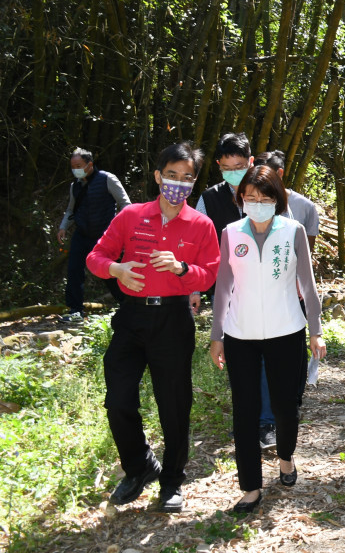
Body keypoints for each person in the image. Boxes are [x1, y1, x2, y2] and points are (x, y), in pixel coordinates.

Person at [86, 142, 220, 512]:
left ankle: (172, 481)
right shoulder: (131, 216)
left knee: (174, 403)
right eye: (171, 175)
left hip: (173, 320)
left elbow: (210, 274)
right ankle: (139, 466)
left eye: (186, 178)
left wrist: (181, 269)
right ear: (159, 176)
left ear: (193, 183)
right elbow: (96, 256)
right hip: (132, 318)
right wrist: (118, 269)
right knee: (117, 398)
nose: (178, 184)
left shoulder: (201, 224)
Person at [208, 166, 326, 514]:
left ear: (277, 200)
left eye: (265, 198)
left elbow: (308, 285)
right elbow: (223, 288)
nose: (257, 204)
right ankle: (250, 488)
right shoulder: (231, 232)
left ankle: (286, 456)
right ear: (240, 199)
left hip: (286, 331)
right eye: (250, 198)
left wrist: (315, 330)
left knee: (285, 407)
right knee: (244, 412)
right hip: (240, 334)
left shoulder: (293, 231)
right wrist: (217, 336)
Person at [253, 150, 322, 448]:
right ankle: (268, 419)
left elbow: (305, 255)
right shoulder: (249, 203)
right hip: (258, 295)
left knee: (293, 361)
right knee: (265, 360)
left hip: (294, 294)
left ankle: (291, 402)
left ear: (279, 175)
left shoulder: (304, 208)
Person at [58, 147, 131, 321]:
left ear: (89, 164)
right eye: (72, 166)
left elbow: (125, 204)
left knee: (110, 273)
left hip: (104, 236)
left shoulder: (107, 179)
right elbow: (71, 210)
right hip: (81, 234)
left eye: (78, 165)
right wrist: (63, 227)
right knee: (74, 270)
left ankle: (128, 306)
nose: (75, 168)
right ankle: (75, 311)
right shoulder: (74, 186)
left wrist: (120, 229)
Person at [196, 132, 254, 232]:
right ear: (219, 164)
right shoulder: (209, 198)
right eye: (226, 168)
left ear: (251, 161)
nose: (233, 172)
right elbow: (198, 234)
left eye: (239, 167)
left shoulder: (267, 193)